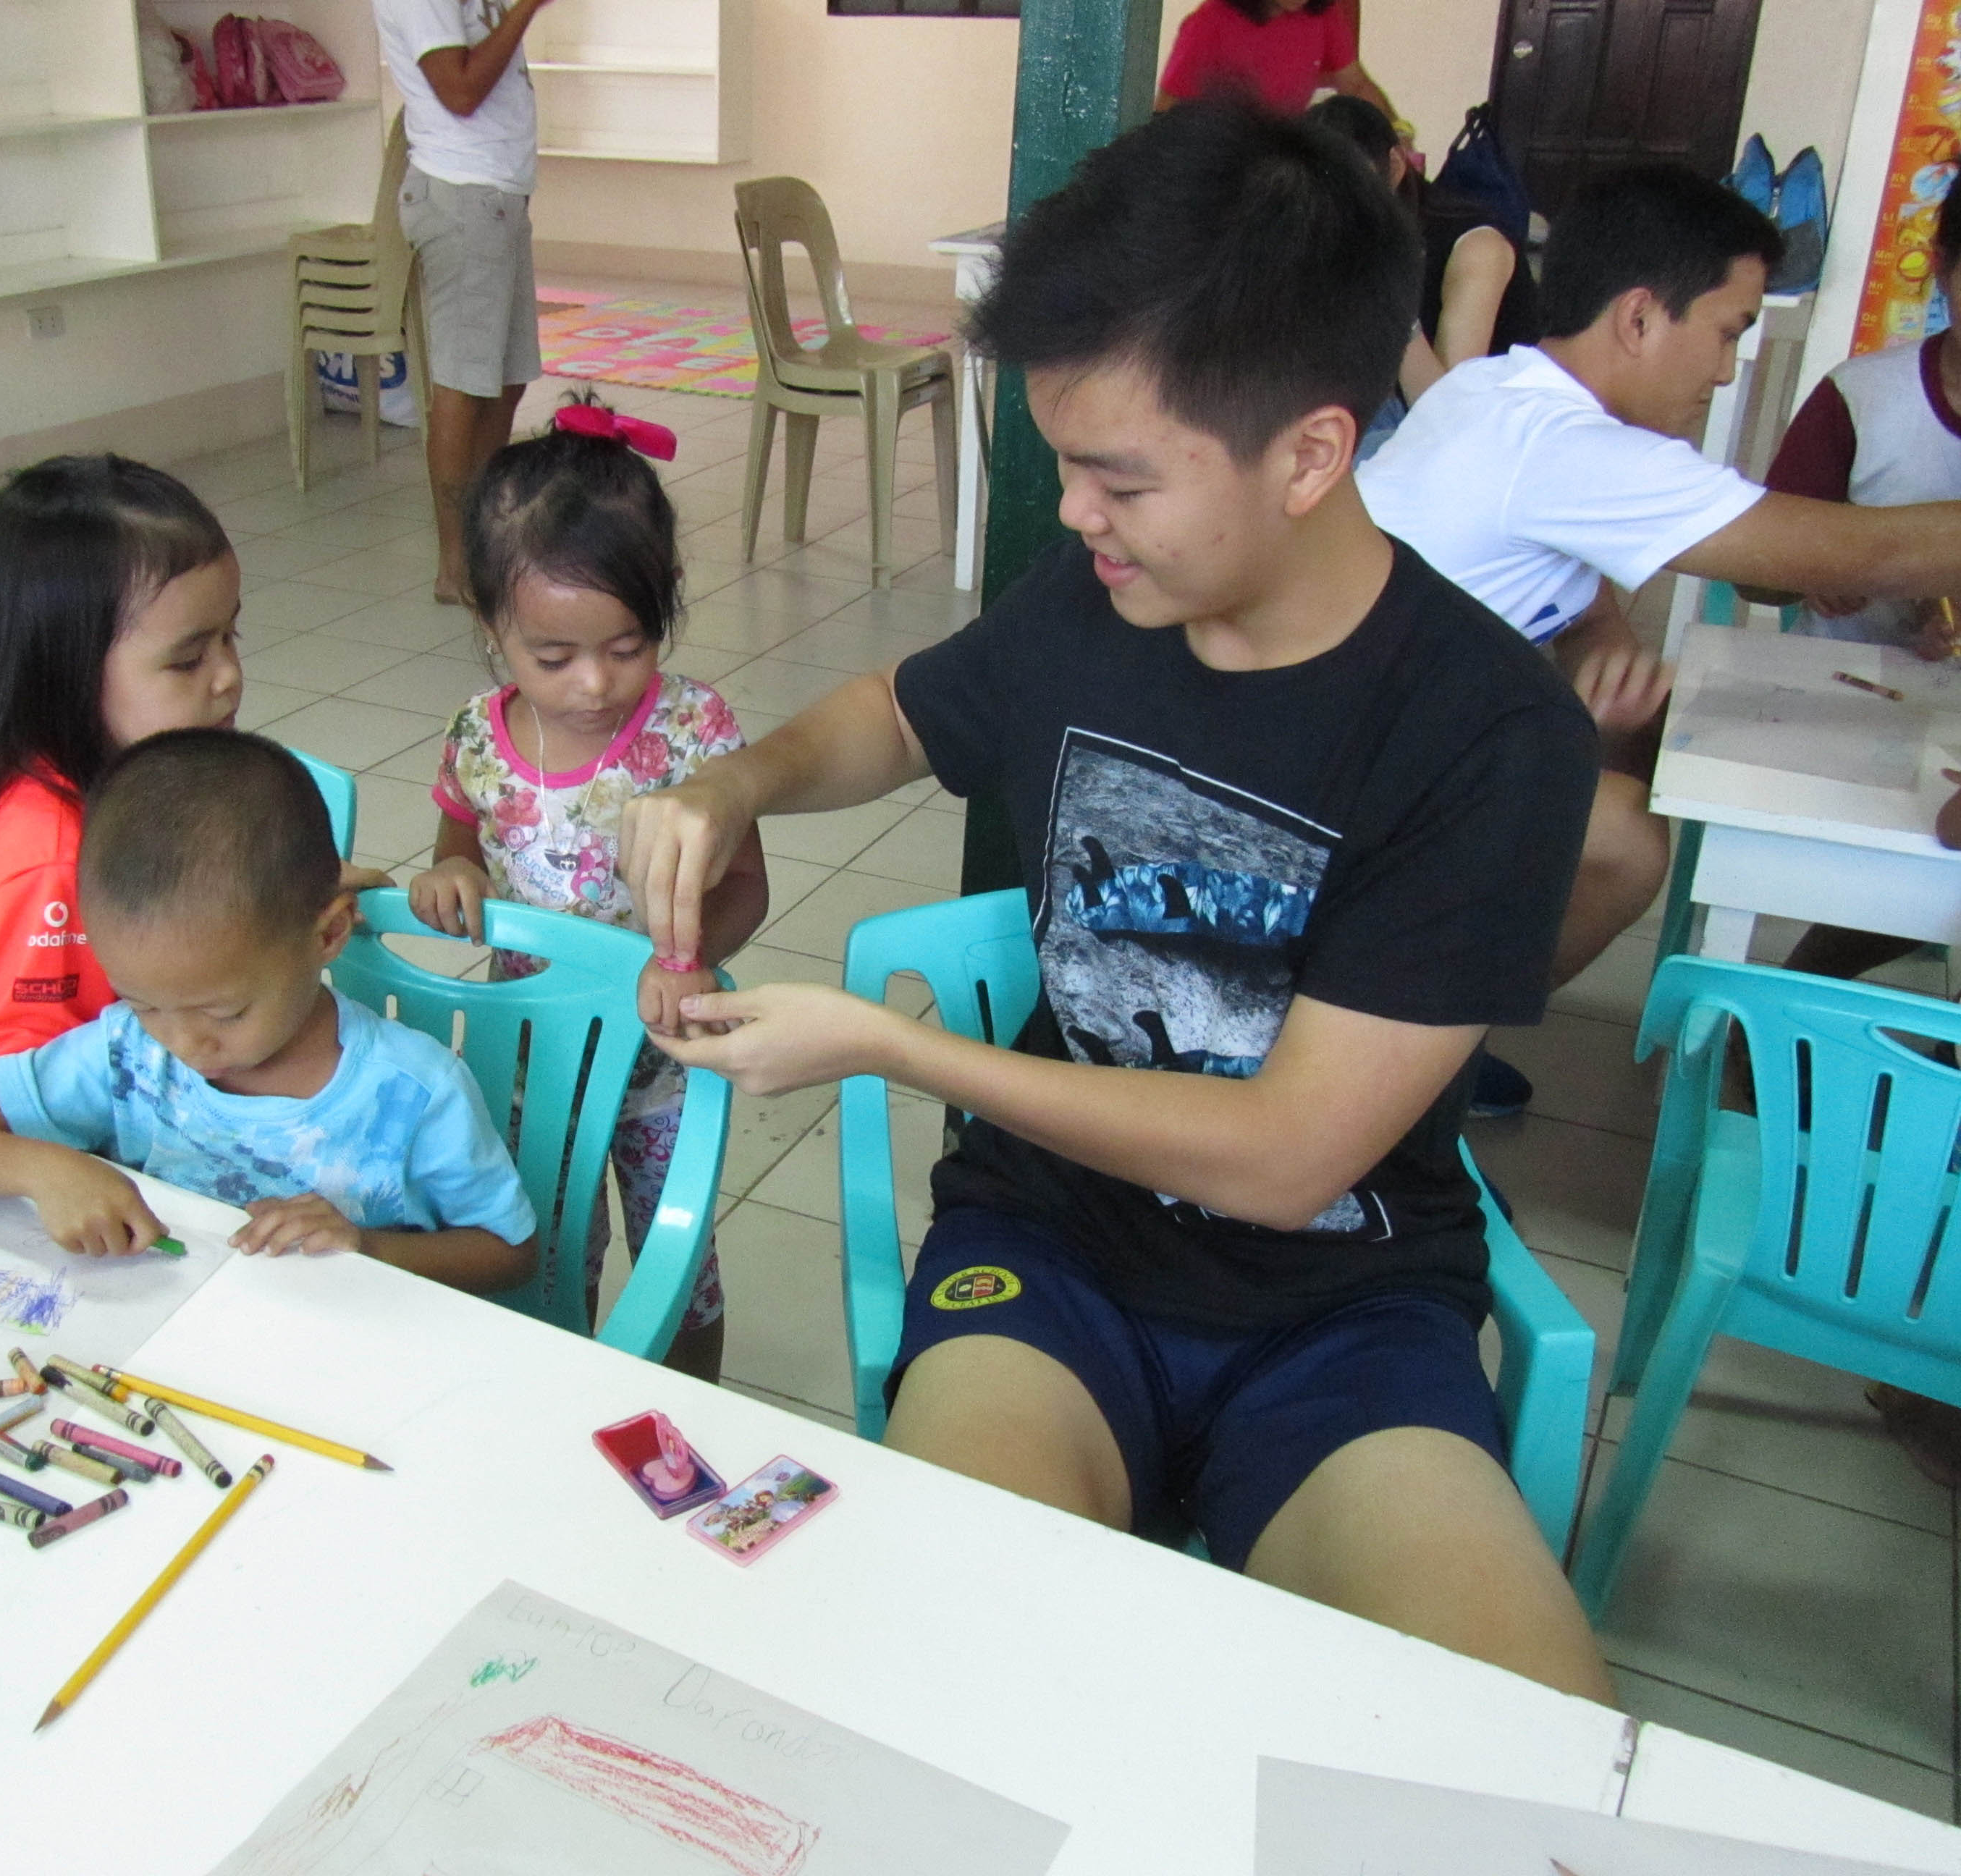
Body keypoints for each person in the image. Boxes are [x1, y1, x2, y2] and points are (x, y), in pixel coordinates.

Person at [616, 100, 1611, 1700]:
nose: (1075, 514)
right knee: (947, 1672)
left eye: (1117, 478)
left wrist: (891, 1048)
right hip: (1050, 1257)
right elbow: (899, 712)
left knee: (1518, 1738)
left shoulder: (1489, 734)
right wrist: (738, 780)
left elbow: (1288, 1157)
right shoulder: (1099, 601)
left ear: (1312, 453)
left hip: (1343, 1311)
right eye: (1064, 463)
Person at [1359, 163, 1961, 1005]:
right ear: (1639, 318)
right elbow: (1867, 556)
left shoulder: (1497, 390)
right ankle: (1417, 1032)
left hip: (1344, 733)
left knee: (1629, 748)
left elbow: (1566, 556)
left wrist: (1603, 634)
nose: (1725, 372)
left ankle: (1421, 996)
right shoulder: (1584, 452)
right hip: (1338, 775)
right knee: (1627, 844)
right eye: (1726, 333)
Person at [0, 730, 539, 1291]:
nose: (182, 1043)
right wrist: (46, 1171)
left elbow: (510, 1254)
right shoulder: (126, 1056)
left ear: (328, 935)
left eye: (225, 1014)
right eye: (143, 1004)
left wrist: (368, 1248)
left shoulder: (415, 1092)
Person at [410, 397, 769, 1382]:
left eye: (627, 646)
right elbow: (460, 838)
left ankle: (692, 1413)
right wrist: (452, 871)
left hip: (664, 1068)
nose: (596, 685)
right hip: (538, 1070)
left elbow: (747, 883)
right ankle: (565, 1405)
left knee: (680, 1273)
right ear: (490, 623)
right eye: (553, 657)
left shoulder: (694, 731)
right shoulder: (478, 737)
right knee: (554, 1261)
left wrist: (687, 955)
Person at [0, 455, 244, 1102]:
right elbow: (36, 1100)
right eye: (189, 659)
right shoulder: (51, 868)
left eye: (232, 636)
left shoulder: (140, 776)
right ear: (67, 671)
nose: (228, 676)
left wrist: (280, 895)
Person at [1750, 185, 1961, 987]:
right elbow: (1763, 573)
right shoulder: (1864, 396)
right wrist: (1817, 569)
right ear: (1941, 269)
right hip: (1848, 699)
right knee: (1891, 874)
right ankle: (1797, 998)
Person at [374, 0, 549, 601]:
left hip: (496, 198)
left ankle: (483, 538)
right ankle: (455, 566)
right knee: (464, 384)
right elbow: (461, 91)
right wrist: (526, 9)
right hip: (463, 197)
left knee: (507, 379)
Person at [1308, 94, 1534, 455]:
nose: (1336, 205)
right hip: (1389, 415)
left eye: (1351, 185)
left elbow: (1447, 414)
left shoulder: (1476, 246)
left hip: (1482, 433)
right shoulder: (1327, 229)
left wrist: (1389, 299)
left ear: (1396, 166)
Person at [1159, 0, 1405, 128]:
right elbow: (1165, 110)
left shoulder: (1322, 15)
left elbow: (1356, 85)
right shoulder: (1210, 21)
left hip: (1282, 161)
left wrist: (1398, 130)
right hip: (1221, 163)